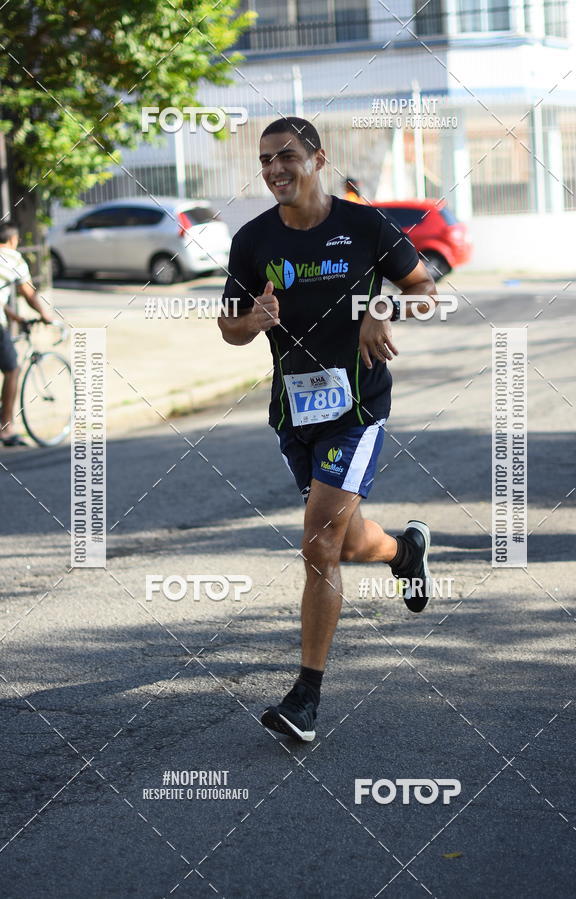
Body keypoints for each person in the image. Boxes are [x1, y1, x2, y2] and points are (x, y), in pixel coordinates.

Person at [218, 117, 437, 743]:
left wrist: (381, 304)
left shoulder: (365, 225)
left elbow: (425, 287)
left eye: (286, 156)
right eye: (264, 161)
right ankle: (404, 551)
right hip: (295, 414)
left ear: (318, 158)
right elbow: (228, 327)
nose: (274, 169)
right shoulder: (253, 240)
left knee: (317, 542)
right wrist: (253, 322)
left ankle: (305, 700)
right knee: (339, 541)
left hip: (360, 407)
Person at [0, 221, 53, 446]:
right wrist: (45, 314)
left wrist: (14, 317)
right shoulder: (12, 258)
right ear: (13, 240)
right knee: (12, 369)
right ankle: (6, 428)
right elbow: (28, 294)